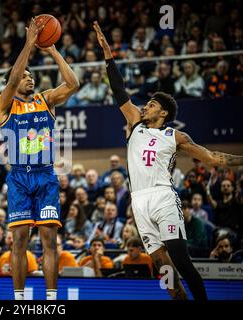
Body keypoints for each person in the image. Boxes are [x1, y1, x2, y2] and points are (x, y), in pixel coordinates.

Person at [94, 21, 242, 300]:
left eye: (151, 104)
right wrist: (107, 54)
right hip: (139, 201)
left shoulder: (175, 136)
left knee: (181, 260)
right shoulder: (135, 124)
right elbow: (118, 90)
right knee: (165, 271)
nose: (145, 106)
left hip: (162, 197)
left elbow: (212, 158)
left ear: (162, 113)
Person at [0, 17, 80, 301]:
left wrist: (52, 49)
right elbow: (12, 78)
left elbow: (73, 83)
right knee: (19, 241)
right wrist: (29, 44)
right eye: (25, 75)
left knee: (49, 241)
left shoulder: (46, 99)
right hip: (19, 176)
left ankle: (52, 299)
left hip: (45, 174)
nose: (30, 78)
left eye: (32, 75)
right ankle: (19, 299)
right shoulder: (5, 104)